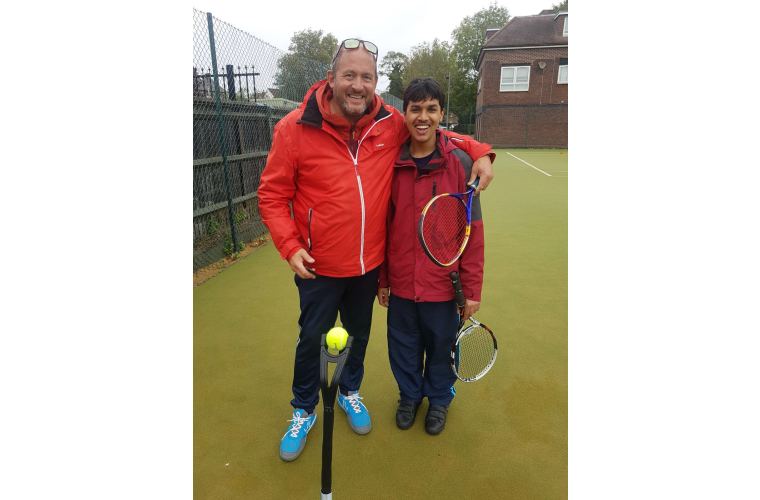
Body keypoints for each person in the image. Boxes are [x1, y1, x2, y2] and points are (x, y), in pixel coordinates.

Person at [258, 39, 494, 461]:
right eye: (349, 75)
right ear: (331, 79)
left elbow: (438, 130)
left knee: (359, 335)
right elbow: (272, 195)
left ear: (376, 83)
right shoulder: (293, 128)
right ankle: (302, 409)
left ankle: (350, 391)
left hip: (369, 265)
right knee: (312, 338)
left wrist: (481, 152)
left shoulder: (389, 121)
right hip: (317, 265)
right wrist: (290, 246)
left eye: (366, 77)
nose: (357, 85)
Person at [377, 78, 485, 435]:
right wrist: (384, 280)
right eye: (415, 109)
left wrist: (472, 290)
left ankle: (438, 400)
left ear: (441, 113)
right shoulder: (391, 163)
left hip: (443, 286)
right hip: (403, 285)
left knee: (441, 349)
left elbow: (474, 233)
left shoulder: (461, 162)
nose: (423, 117)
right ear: (405, 113)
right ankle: (409, 396)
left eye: (431, 109)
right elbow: (384, 225)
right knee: (403, 347)